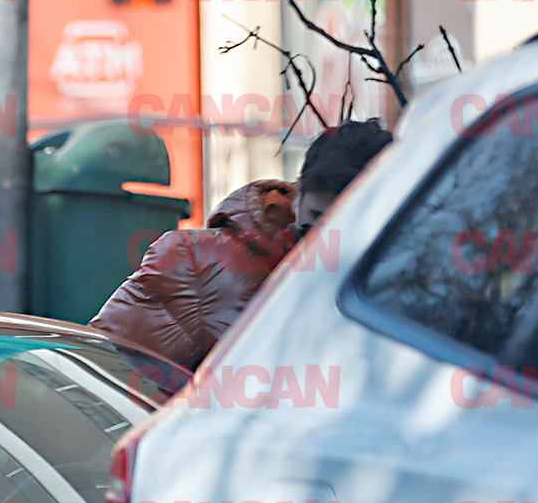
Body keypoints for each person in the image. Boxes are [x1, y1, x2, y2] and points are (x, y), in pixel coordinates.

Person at [91, 118, 395, 372]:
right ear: (298, 191)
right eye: (317, 218)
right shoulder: (198, 260)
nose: (326, 237)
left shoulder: (393, 281)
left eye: (345, 223)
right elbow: (103, 371)